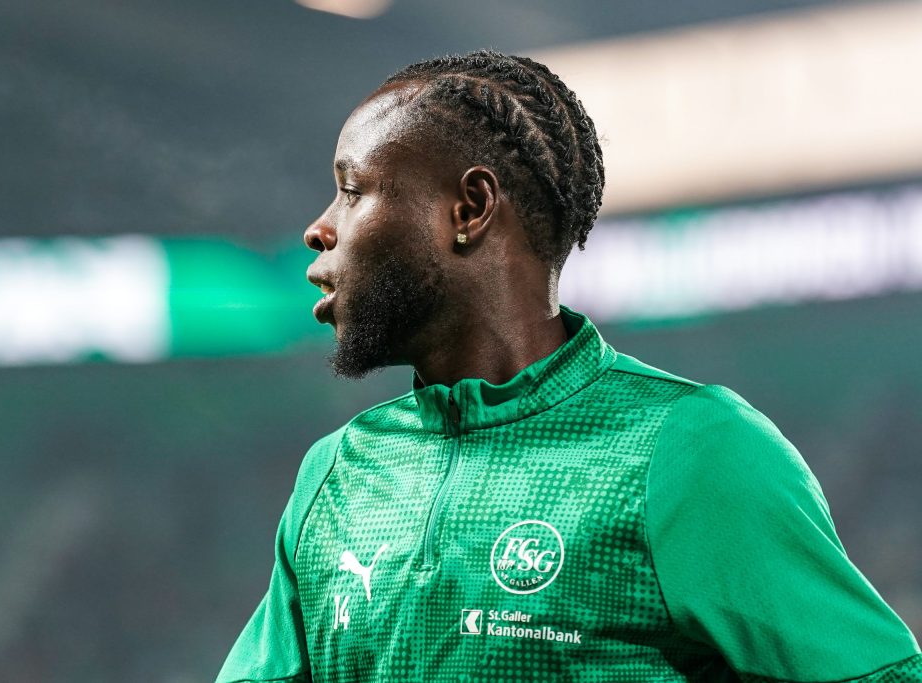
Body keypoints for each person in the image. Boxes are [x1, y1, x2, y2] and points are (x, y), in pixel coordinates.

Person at [216, 50, 921, 682]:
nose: (319, 228)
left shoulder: (692, 448)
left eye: (351, 189)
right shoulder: (337, 474)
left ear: (470, 208)